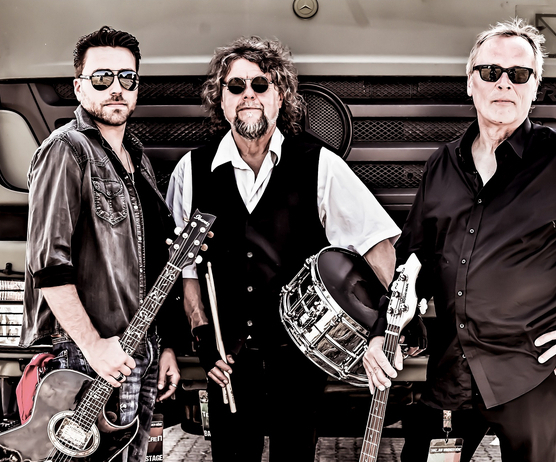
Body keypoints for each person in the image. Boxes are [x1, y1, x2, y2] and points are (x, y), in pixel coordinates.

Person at [363, 18, 556, 462]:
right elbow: (412, 261)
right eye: (490, 72)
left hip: (531, 373)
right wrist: (381, 332)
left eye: (519, 74)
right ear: (471, 82)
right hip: (450, 370)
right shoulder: (442, 165)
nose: (504, 83)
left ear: (534, 87)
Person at [165, 36, 401, 461]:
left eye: (261, 85)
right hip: (227, 360)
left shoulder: (320, 163)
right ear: (221, 99)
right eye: (236, 86)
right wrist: (202, 337)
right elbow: (187, 271)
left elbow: (376, 244)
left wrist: (385, 325)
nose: (248, 95)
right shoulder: (191, 170)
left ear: (280, 97)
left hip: (300, 358)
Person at [22, 26, 181, 462]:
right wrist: (94, 347)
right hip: (87, 352)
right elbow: (48, 265)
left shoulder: (137, 158)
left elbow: (151, 263)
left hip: (137, 349)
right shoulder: (66, 150)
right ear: (79, 87)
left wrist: (163, 344)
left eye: (127, 78)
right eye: (102, 77)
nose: (116, 88)